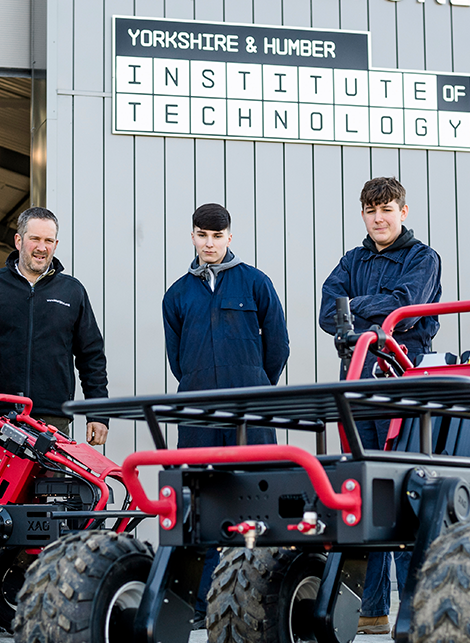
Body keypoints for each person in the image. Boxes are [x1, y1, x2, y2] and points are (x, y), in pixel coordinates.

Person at [318, 176, 442, 636]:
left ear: (403, 212)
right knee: (365, 493)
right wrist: (367, 309)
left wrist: (354, 308)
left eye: (386, 209)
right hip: (356, 385)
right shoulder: (352, 260)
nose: (378, 218)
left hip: (402, 383)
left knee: (407, 493)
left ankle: (414, 615)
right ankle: (371, 612)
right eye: (371, 211)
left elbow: (406, 305)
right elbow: (325, 313)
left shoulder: (422, 258)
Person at [162, 203, 290, 626]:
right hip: (198, 413)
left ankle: (261, 599)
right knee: (200, 503)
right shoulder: (177, 294)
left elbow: (278, 347)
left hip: (249, 413)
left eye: (217, 236)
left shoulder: (256, 284)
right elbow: (178, 360)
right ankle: (201, 606)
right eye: (202, 235)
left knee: (257, 501)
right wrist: (203, 386)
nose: (210, 244)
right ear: (193, 237)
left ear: (229, 237)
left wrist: (251, 385)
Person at [0, 207, 108, 446]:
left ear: (56, 244)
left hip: (53, 421)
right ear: (18, 241)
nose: (42, 247)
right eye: (35, 239)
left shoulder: (73, 292)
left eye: (48, 240)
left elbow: (92, 357)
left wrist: (98, 414)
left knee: (52, 486)